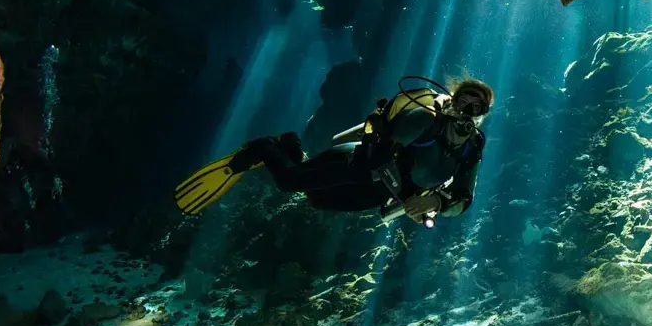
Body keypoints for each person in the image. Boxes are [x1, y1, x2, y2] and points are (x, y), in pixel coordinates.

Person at [174, 76, 493, 224]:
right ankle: (264, 148)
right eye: (464, 101)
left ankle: (290, 146)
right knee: (288, 182)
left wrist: (435, 201)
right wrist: (410, 192)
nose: (467, 111)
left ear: (482, 115)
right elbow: (379, 153)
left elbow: (465, 196)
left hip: (379, 195)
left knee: (315, 199)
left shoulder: (473, 145)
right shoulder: (424, 120)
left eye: (476, 107)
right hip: (357, 167)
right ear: (453, 100)